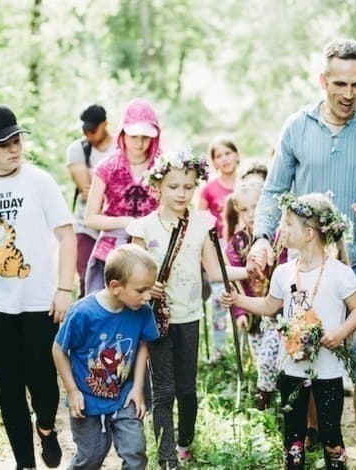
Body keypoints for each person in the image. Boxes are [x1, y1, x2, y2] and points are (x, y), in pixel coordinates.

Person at [247, 39, 356, 469]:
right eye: (339, 83)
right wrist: (262, 236)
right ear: (322, 80)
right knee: (306, 352)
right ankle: (318, 445)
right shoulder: (296, 126)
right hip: (308, 267)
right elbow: (275, 190)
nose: (348, 94)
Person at [0, 105, 76, 469]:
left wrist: (64, 290)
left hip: (40, 300)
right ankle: (25, 463)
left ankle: (47, 429)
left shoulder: (39, 181)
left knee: (42, 382)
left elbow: (66, 236)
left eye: (17, 139)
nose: (14, 147)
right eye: (4, 142)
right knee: (9, 388)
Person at [221, 193, 356, 469]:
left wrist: (339, 334)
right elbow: (269, 305)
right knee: (293, 434)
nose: (281, 230)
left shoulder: (339, 273)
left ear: (309, 233)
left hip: (329, 369)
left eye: (288, 224)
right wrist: (239, 300)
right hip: (291, 368)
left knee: (330, 432)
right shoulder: (283, 272)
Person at [126, 149, 248, 468]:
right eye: (173, 186)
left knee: (186, 390)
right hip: (156, 319)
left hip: (190, 317)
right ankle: (168, 458)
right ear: (158, 187)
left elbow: (214, 269)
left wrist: (249, 271)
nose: (181, 193)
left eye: (188, 186)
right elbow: (130, 275)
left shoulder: (201, 224)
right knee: (164, 391)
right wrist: (145, 288)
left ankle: (185, 443)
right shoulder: (144, 228)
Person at [52, 244, 160, 469]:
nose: (148, 296)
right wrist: (72, 391)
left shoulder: (142, 311)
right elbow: (58, 350)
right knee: (91, 456)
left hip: (124, 397)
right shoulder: (82, 313)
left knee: (135, 452)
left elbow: (143, 345)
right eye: (141, 290)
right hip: (87, 400)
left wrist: (137, 387)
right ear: (115, 286)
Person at [83, 98, 162, 295]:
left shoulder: (163, 165)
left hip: (153, 251)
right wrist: (124, 221)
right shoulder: (106, 167)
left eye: (146, 136)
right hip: (112, 252)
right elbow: (90, 218)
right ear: (123, 133)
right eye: (134, 135)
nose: (140, 142)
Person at [223, 177, 283, 410]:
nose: (251, 214)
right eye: (245, 209)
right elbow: (236, 284)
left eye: (256, 207)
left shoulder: (279, 238)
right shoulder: (236, 245)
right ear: (237, 210)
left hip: (277, 312)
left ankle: (263, 407)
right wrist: (240, 312)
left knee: (270, 360)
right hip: (254, 314)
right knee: (263, 363)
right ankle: (275, 408)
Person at [198, 137, 241, 358]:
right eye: (219, 155)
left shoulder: (245, 184)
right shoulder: (208, 189)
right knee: (219, 297)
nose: (224, 159)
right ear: (214, 161)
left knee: (243, 295)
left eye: (228, 153)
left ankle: (243, 349)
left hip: (243, 246)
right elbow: (200, 221)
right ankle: (219, 351)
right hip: (218, 248)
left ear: (236, 155)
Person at [67, 104, 116, 298]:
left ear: (105, 125)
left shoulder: (120, 148)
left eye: (93, 130)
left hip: (114, 225)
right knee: (87, 279)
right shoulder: (78, 149)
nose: (89, 134)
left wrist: (102, 192)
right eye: (85, 130)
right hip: (85, 225)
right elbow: (87, 190)